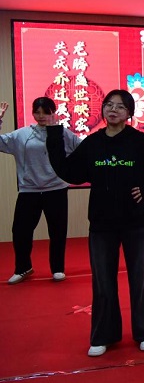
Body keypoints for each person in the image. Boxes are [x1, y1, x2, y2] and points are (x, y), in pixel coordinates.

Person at [46, 90, 144, 356]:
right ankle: (104, 335)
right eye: (108, 105)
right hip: (101, 222)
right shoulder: (93, 143)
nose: (113, 110)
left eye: (120, 107)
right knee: (103, 281)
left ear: (129, 113)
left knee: (140, 278)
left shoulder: (140, 142)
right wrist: (53, 135)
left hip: (135, 220)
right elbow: (69, 171)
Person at [0, 97, 81, 284]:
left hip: (56, 189)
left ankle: (58, 269)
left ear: (54, 113)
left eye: (46, 112)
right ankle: (23, 268)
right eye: (37, 112)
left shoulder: (62, 133)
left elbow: (82, 149)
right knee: (20, 231)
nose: (41, 116)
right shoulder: (22, 135)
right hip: (29, 190)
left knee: (57, 231)